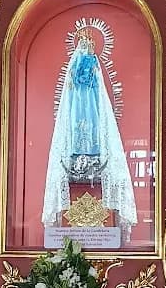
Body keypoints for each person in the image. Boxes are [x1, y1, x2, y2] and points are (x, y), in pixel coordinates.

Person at [42, 28, 137, 234]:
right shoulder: (74, 64)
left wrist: (91, 70)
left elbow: (99, 91)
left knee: (93, 123)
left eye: (89, 44)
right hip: (77, 104)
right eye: (82, 43)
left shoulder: (94, 64)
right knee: (77, 123)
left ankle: (93, 153)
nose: (85, 47)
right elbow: (70, 89)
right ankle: (77, 152)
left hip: (93, 104)